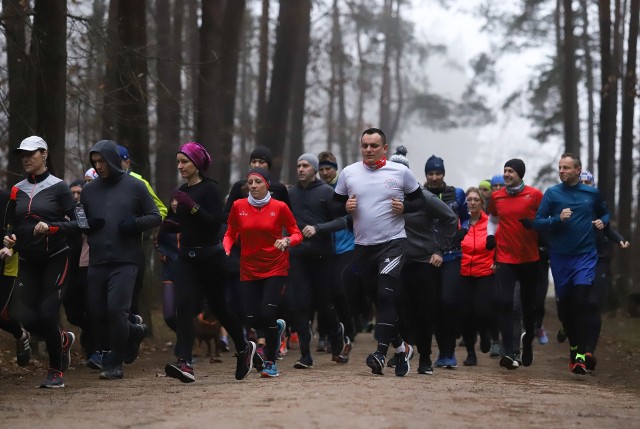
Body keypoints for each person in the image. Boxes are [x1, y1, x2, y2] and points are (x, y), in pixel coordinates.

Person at [331, 127, 426, 376]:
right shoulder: (349, 173)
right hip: (363, 247)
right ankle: (402, 347)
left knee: (385, 295)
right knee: (377, 299)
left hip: (393, 243)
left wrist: (404, 207)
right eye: (365, 146)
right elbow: (333, 205)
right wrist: (345, 206)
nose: (369, 150)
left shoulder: (400, 172)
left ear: (384, 148)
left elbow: (420, 201)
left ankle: (380, 354)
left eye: (374, 146)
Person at [164, 142, 257, 383]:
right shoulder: (182, 191)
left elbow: (215, 222)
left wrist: (190, 206)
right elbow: (180, 223)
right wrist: (171, 219)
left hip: (211, 259)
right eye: (178, 162)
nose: (180, 166)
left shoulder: (210, 189)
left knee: (218, 308)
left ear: (197, 164)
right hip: (186, 258)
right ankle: (184, 361)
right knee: (183, 306)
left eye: (184, 162)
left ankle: (243, 346)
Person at [80, 139, 162, 380]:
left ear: (114, 160)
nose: (98, 166)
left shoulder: (135, 186)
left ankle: (115, 360)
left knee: (116, 310)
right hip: (97, 259)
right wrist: (87, 226)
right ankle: (133, 332)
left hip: (126, 259)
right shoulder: (89, 190)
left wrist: (134, 225)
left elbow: (155, 216)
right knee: (98, 312)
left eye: (102, 161)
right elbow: (81, 221)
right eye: (94, 162)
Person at [2, 136, 77, 388]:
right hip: (28, 261)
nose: (25, 158)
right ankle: (63, 340)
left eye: (31, 154)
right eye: (22, 154)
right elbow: (13, 223)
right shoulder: (17, 189)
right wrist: (10, 239)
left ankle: (55, 372)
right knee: (26, 317)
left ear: (44, 154)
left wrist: (52, 227)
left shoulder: (60, 187)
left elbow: (80, 224)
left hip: (56, 258)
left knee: (47, 313)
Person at [533, 153, 610, 375]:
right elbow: (538, 222)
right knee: (565, 308)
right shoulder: (553, 194)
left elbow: (605, 214)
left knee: (581, 302)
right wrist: (558, 219)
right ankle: (574, 347)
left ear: (578, 170)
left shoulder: (592, 194)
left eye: (566, 168)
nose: (562, 171)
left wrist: (601, 222)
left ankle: (579, 357)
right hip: (560, 258)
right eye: (560, 167)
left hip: (585, 256)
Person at [224, 167, 303, 378]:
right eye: (250, 183)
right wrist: (226, 246)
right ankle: (275, 329)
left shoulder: (280, 207)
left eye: (258, 182)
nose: (253, 186)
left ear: (266, 184)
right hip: (249, 268)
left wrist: (287, 240)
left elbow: (296, 233)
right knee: (251, 317)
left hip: (275, 266)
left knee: (267, 313)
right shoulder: (238, 206)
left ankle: (270, 361)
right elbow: (230, 232)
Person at [390, 151, 458, 375]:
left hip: (421, 261)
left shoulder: (422, 197)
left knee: (423, 312)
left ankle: (426, 358)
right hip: (396, 260)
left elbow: (450, 219)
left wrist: (439, 247)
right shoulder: (384, 195)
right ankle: (403, 350)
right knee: (396, 307)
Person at [286, 153, 350, 369]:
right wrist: (286, 237)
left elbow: (343, 220)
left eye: (305, 166)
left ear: (314, 169)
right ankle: (305, 356)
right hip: (298, 256)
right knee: (300, 305)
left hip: (323, 257)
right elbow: (287, 222)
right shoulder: (291, 194)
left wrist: (318, 228)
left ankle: (336, 333)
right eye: (298, 165)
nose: (301, 169)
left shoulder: (326, 192)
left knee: (324, 305)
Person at [487, 158, 542, 370]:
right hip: (505, 257)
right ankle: (508, 352)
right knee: (504, 302)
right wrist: (491, 236)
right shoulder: (497, 196)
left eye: (511, 171)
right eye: (505, 171)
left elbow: (546, 218)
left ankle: (526, 343)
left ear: (520, 174)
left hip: (529, 258)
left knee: (527, 307)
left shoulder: (534, 195)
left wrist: (536, 226)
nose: (507, 174)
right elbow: (492, 218)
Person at [423, 154, 469, 369]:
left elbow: (467, 217)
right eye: (430, 173)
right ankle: (440, 352)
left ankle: (449, 352)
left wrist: (464, 231)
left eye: (438, 173)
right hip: (428, 257)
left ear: (444, 174)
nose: (434, 177)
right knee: (432, 307)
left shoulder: (456, 194)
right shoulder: (419, 195)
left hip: (452, 256)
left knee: (448, 302)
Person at [459, 187, 497, 366]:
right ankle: (470, 352)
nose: (472, 202)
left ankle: (484, 333)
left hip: (485, 272)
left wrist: (497, 261)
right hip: (464, 272)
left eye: (476, 199)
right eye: (469, 199)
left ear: (482, 203)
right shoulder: (460, 223)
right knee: (466, 314)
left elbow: (499, 243)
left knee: (482, 311)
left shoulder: (490, 223)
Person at [0, 188, 31, 368]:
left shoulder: (7, 198)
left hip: (5, 261)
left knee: (2, 313)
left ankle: (20, 334)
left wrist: (11, 245)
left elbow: (16, 226)